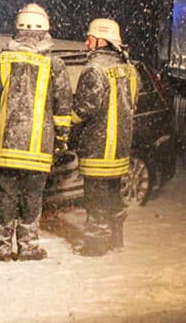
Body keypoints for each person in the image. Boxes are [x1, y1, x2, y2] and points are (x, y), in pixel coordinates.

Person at [0, 3, 72, 261]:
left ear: (18, 27)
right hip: (40, 148)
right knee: (32, 197)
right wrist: (61, 140)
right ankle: (28, 247)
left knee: (5, 196)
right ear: (45, 30)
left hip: (7, 146)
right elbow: (63, 107)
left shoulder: (2, 59)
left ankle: (1, 247)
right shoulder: (55, 64)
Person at [72, 18, 139, 256]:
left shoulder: (95, 69)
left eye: (90, 39)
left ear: (102, 40)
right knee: (113, 195)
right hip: (120, 148)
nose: (86, 43)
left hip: (98, 147)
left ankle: (96, 244)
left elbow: (83, 109)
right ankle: (116, 239)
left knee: (96, 199)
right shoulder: (129, 69)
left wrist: (64, 117)